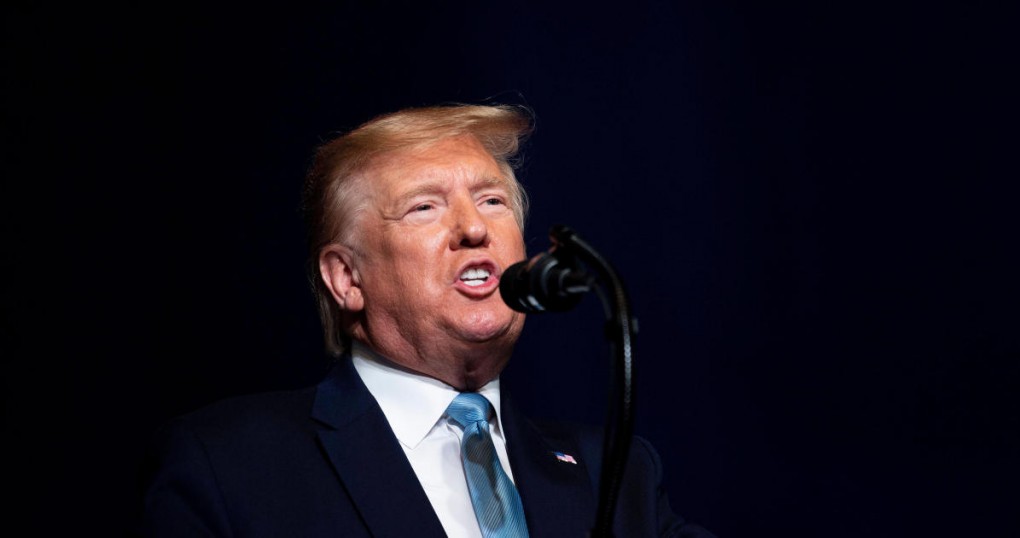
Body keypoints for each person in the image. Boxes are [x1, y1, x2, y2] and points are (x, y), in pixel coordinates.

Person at [138, 103, 714, 537]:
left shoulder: (615, 472)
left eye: (492, 201)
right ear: (347, 278)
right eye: (425, 206)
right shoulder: (229, 464)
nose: (474, 228)